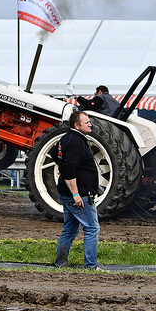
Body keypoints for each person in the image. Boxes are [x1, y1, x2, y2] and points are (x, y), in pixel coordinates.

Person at [53, 111, 100, 270]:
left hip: (67, 192)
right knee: (92, 228)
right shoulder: (76, 142)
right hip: (79, 195)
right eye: (86, 122)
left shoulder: (65, 138)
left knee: (70, 229)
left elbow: (55, 155)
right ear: (76, 125)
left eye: (89, 122)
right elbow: (68, 168)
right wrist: (76, 195)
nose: (90, 124)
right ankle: (91, 266)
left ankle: (61, 263)